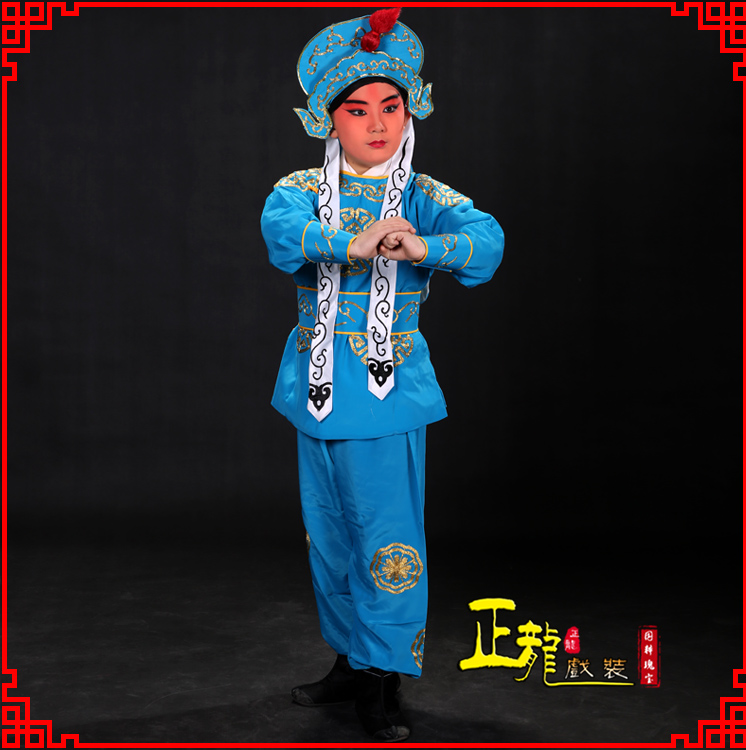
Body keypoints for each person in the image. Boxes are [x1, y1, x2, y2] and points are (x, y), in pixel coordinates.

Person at [260, 8, 504, 742]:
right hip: (316, 390)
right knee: (329, 536)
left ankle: (382, 677)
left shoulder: (424, 194)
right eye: (357, 110)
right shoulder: (302, 188)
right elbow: (282, 233)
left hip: (385, 389)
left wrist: (424, 247)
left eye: (390, 107)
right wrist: (353, 242)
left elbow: (487, 241)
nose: (376, 124)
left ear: (410, 111)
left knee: (387, 540)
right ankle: (349, 659)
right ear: (328, 120)